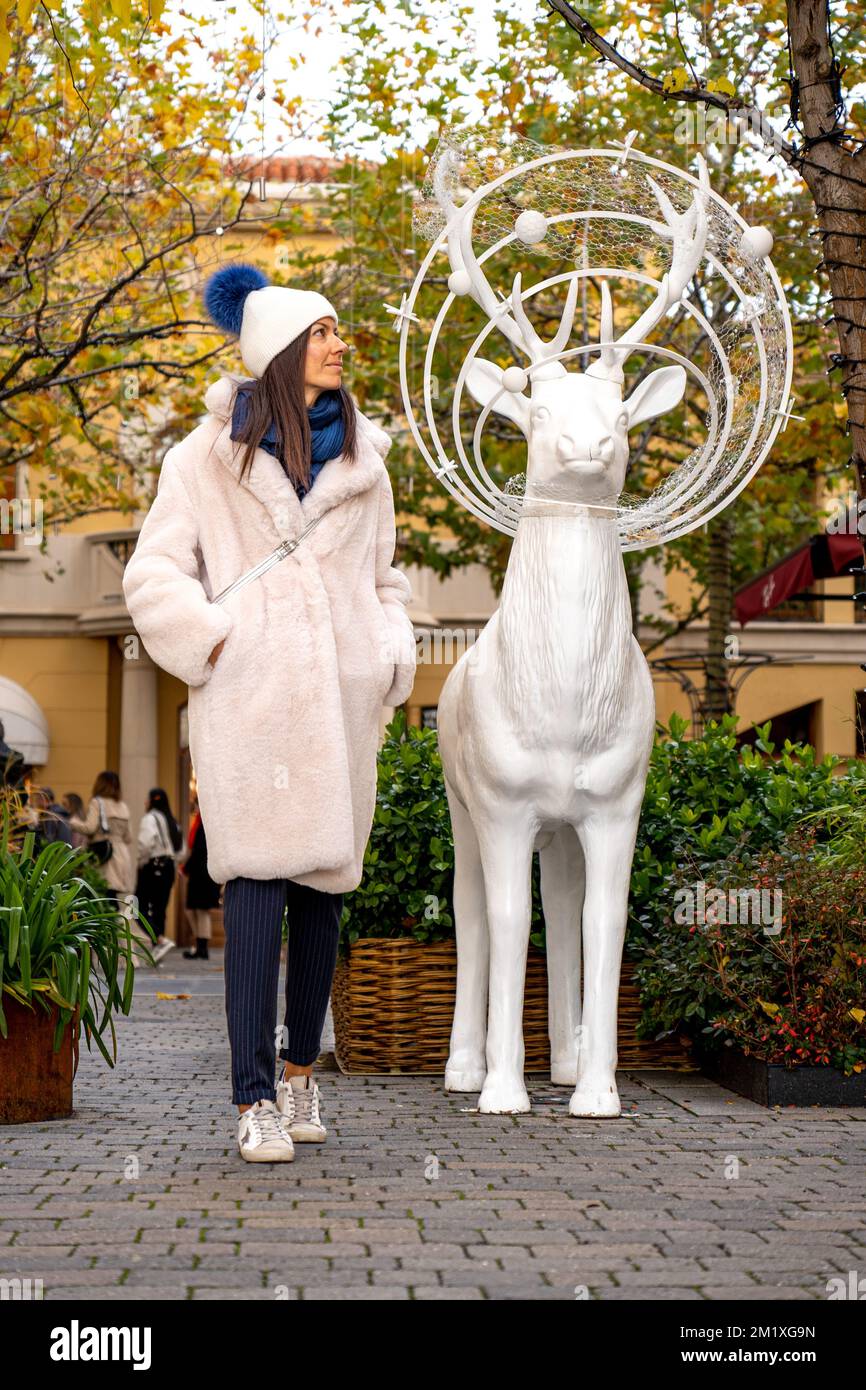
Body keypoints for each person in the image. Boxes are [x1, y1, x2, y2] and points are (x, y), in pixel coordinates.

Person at [121, 262, 417, 1163]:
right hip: (251, 700)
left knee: (325, 896)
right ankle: (250, 1097)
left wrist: (391, 652)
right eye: (322, 332)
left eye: (337, 331)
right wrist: (210, 640)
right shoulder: (202, 458)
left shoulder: (366, 466)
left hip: (340, 703)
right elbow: (154, 573)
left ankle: (297, 1075)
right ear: (282, 351)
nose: (340, 344)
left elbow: (386, 580)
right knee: (252, 893)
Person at [67, 770, 137, 917]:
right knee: (112, 896)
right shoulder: (123, 806)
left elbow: (90, 827)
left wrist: (72, 822)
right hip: (121, 854)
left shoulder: (97, 802)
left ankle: (109, 933)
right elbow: (129, 837)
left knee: (101, 896)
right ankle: (117, 931)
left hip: (104, 854)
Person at [136, 788, 184, 965]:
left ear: (152, 800)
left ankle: (160, 940)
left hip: (153, 865)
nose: (144, 802)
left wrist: (140, 862)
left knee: (136, 907)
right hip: (169, 867)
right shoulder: (173, 821)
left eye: (146, 799)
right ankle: (158, 951)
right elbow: (181, 849)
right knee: (159, 909)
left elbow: (145, 843)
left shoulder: (150, 818)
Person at [180, 800, 219, 961]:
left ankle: (202, 947)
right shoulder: (202, 823)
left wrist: (185, 868)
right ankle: (200, 946)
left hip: (201, 874)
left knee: (200, 911)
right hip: (202, 874)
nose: (194, 808)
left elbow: (199, 850)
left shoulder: (204, 825)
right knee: (196, 911)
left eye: (196, 805)